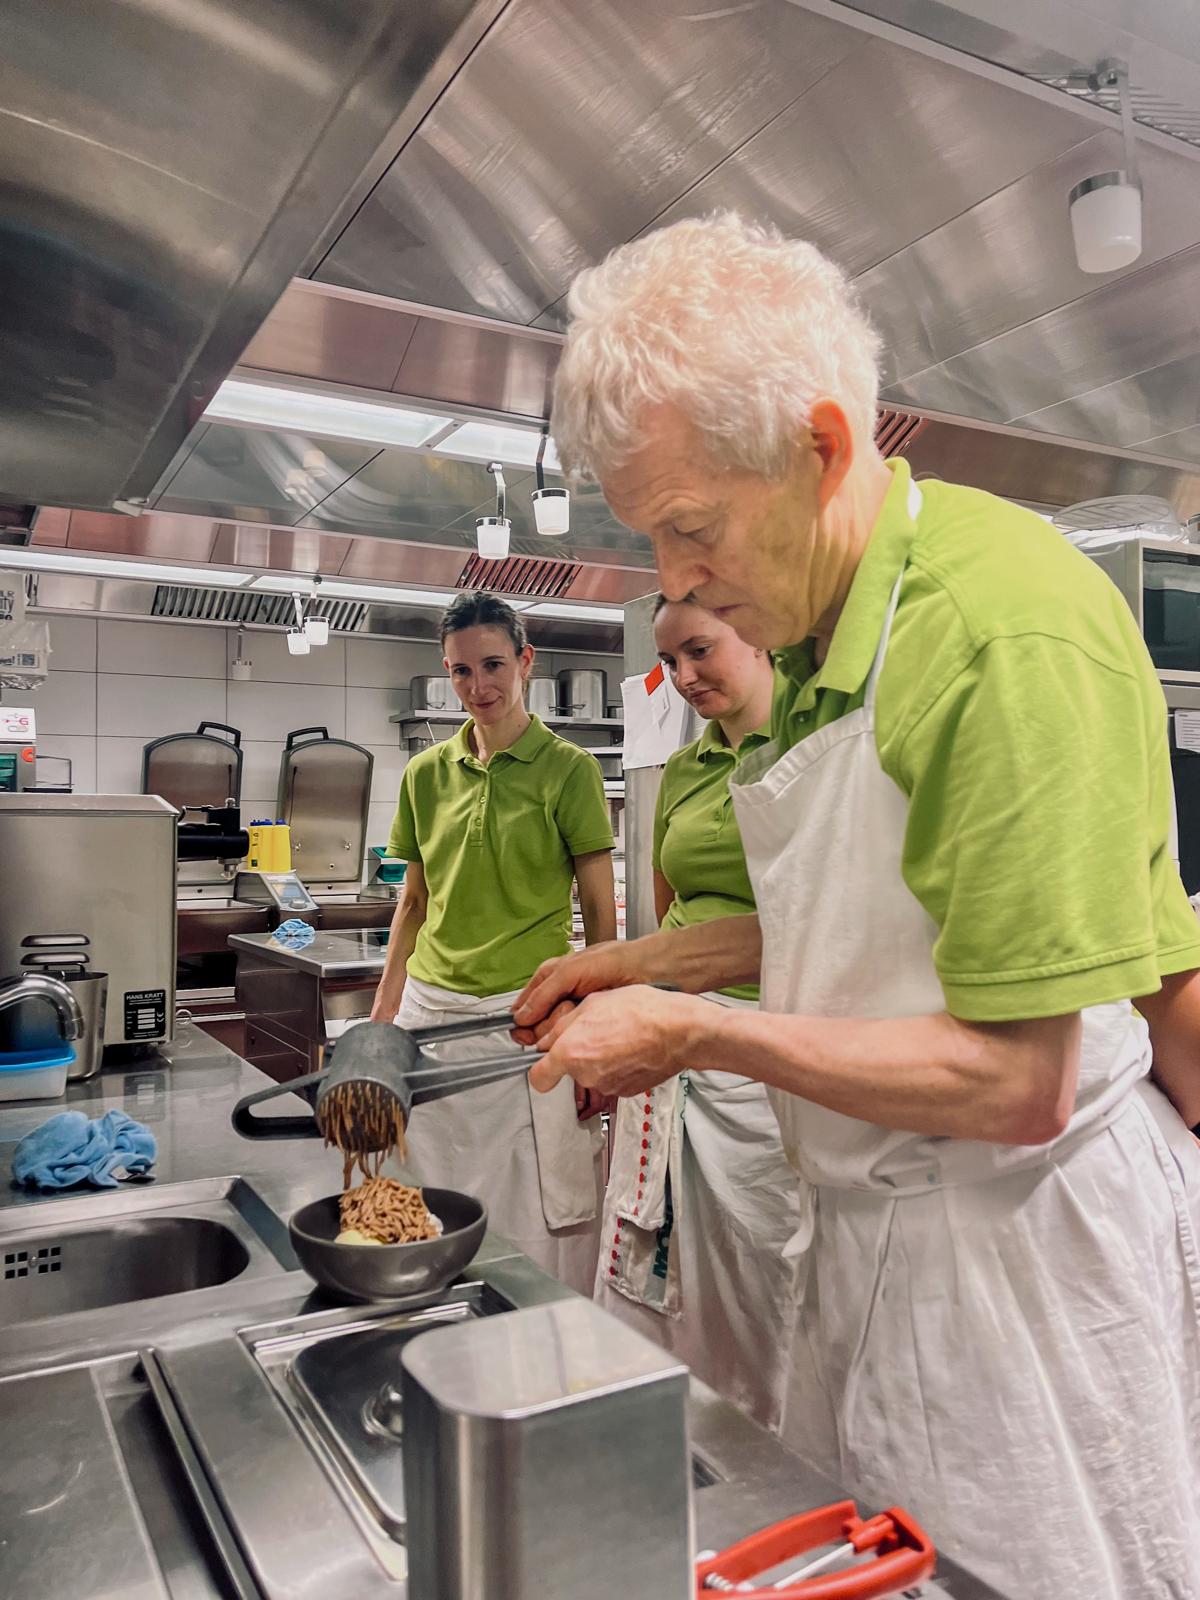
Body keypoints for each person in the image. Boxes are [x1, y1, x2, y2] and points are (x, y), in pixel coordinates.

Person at [512, 213, 1200, 1598]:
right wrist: (642, 966)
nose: (675, 580)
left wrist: (691, 1036)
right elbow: (848, 930)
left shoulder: (993, 632)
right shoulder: (822, 645)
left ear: (824, 447)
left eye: (691, 527)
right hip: (874, 1233)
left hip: (1013, 1266)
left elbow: (1014, 1079)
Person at [371, 590, 615, 1294]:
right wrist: (383, 1021)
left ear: (526, 662)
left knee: (541, 1219)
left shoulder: (570, 771)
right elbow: (413, 901)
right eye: (459, 671)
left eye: (493, 665)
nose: (477, 687)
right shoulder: (425, 774)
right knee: (425, 1212)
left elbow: (600, 914)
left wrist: (597, 1030)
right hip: (432, 1022)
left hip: (526, 1023)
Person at [597, 595, 802, 1430]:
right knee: (664, 1275)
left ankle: (765, 1441)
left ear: (757, 629)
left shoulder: (808, 745)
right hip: (671, 1041)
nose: (683, 678)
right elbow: (669, 908)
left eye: (700, 651)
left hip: (767, 1052)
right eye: (670, 662)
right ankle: (676, 1431)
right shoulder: (684, 770)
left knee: (763, 1279)